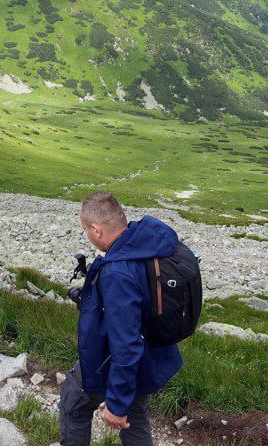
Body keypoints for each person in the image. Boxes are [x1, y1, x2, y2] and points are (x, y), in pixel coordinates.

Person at [58, 191, 183, 446]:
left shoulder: (117, 273)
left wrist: (115, 405)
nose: (88, 236)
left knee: (74, 401)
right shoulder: (144, 241)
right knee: (135, 416)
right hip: (153, 353)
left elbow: (126, 346)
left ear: (96, 229)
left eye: (86, 230)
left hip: (120, 358)